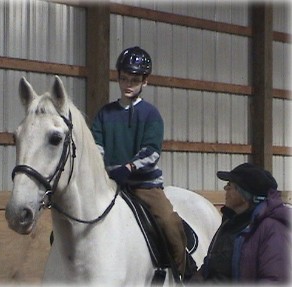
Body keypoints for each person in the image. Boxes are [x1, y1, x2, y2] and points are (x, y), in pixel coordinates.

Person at [91, 46, 187, 278]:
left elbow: (152, 151)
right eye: (124, 78)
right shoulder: (105, 114)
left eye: (134, 79)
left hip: (144, 185)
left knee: (170, 224)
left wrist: (129, 168)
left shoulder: (151, 114)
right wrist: (101, 170)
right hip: (110, 183)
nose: (128, 84)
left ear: (145, 81)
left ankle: (182, 274)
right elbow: (97, 147)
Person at [192, 162, 291, 283]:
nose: (225, 189)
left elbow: (274, 279)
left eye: (230, 185)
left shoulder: (273, 229)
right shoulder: (229, 223)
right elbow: (214, 263)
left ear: (244, 194)